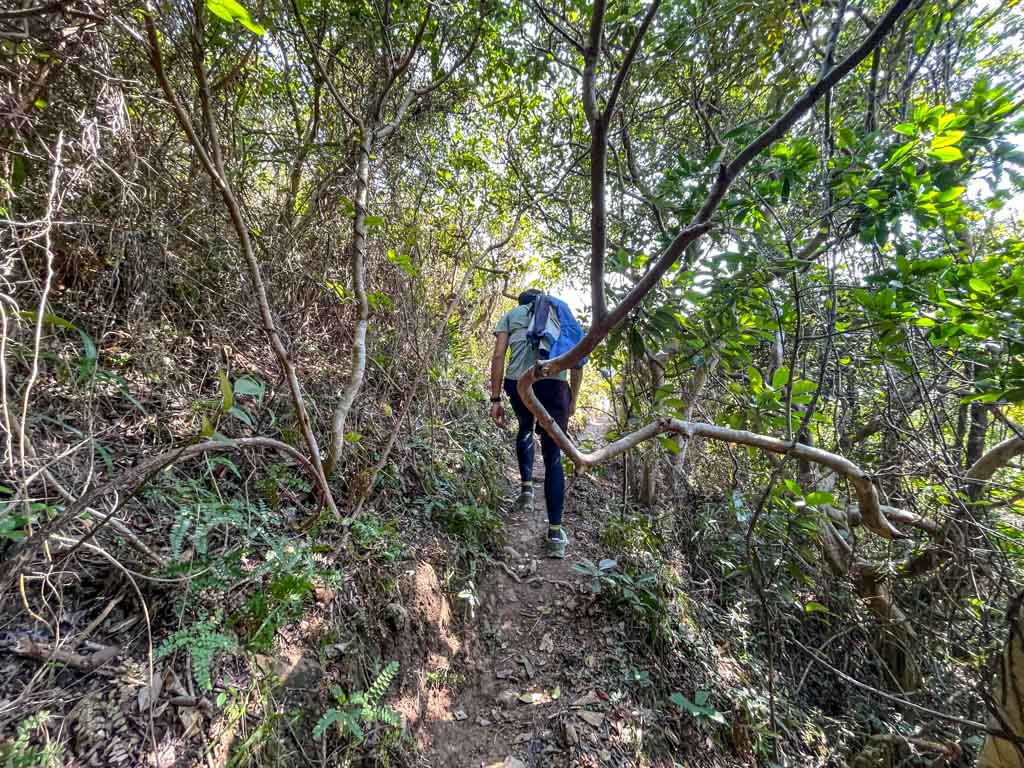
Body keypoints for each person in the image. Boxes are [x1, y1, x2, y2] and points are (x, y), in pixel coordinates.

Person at [490, 289, 582, 558]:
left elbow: (498, 356)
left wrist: (495, 398)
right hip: (554, 386)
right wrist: (573, 399)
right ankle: (555, 534)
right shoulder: (559, 312)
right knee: (553, 453)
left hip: (518, 383)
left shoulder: (511, 315)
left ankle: (526, 492)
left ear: (522, 304)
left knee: (524, 429)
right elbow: (578, 362)